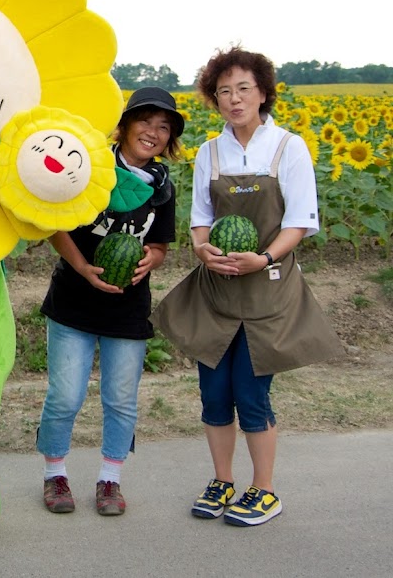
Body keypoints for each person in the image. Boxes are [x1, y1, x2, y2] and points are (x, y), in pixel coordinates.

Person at [152, 46, 343, 527]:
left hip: (267, 290)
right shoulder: (210, 152)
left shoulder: (287, 147)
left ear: (262, 93)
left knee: (251, 395)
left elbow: (300, 222)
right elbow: (200, 220)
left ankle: (265, 490)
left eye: (243, 89)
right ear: (214, 100)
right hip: (215, 290)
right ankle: (222, 480)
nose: (233, 100)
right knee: (213, 393)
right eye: (223, 92)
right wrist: (201, 249)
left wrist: (261, 257)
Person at [36, 86, 184, 516]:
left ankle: (110, 480)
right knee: (65, 396)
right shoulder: (88, 166)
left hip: (127, 307)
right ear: (124, 125)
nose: (153, 133)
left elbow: (160, 245)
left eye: (163, 127)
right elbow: (54, 224)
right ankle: (55, 474)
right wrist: (83, 267)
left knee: (121, 399)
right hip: (73, 301)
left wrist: (149, 260)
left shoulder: (162, 188)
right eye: (145, 122)